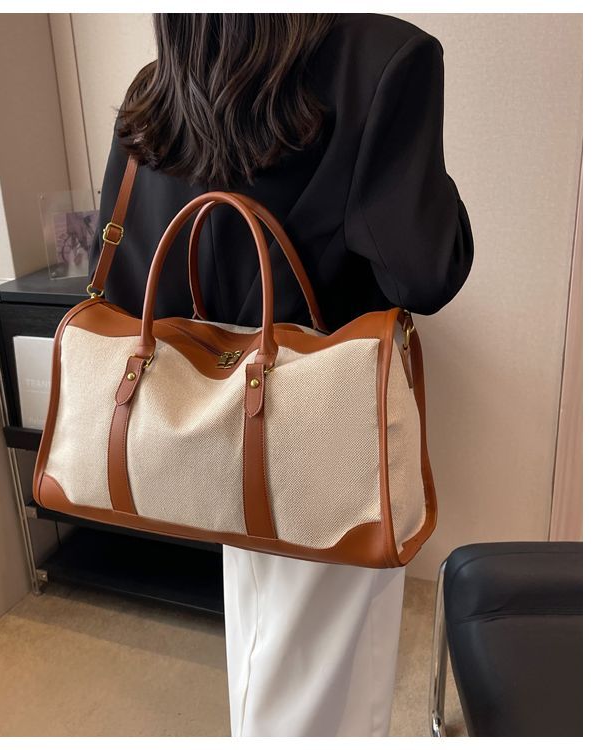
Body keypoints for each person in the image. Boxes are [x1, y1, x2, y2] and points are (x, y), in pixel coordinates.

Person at [91, 13, 473, 737]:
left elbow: (129, 279)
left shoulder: (161, 84)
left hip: (215, 427)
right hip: (324, 431)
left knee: (262, 645)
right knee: (325, 685)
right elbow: (424, 271)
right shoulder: (385, 59)